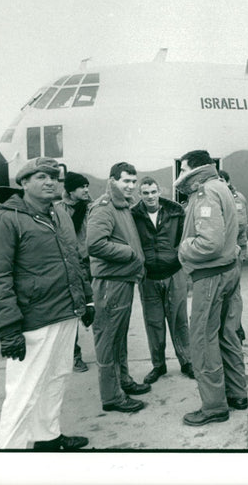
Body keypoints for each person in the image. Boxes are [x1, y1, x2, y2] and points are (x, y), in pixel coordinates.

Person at [0, 157, 93, 450]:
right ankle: (10, 458)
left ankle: (47, 438)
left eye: (54, 176)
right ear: (23, 183)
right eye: (40, 176)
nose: (50, 181)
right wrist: (7, 328)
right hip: (32, 322)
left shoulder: (58, 215)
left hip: (65, 314)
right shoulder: (4, 220)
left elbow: (74, 260)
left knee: (57, 379)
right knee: (23, 393)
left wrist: (87, 299)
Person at [174, 150, 247, 426]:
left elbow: (210, 243)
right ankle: (237, 394)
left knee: (203, 339)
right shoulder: (222, 188)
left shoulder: (205, 192)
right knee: (227, 334)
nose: (181, 175)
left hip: (211, 276)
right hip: (228, 272)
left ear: (194, 168)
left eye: (183, 169)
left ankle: (214, 406)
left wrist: (183, 248)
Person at [87, 161, 148, 413]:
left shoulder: (123, 206)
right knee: (108, 339)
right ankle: (112, 396)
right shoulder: (104, 208)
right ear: (113, 180)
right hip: (110, 283)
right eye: (126, 181)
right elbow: (95, 244)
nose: (131, 186)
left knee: (119, 336)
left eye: (134, 181)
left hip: (122, 280)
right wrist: (130, 253)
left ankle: (123, 381)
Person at [131, 177, 195, 383]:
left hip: (174, 273)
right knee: (154, 323)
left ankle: (187, 361)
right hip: (148, 277)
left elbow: (186, 237)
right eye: (145, 193)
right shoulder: (133, 215)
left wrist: (179, 258)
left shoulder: (176, 211)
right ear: (140, 195)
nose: (150, 196)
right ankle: (158, 365)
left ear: (160, 192)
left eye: (153, 192)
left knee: (180, 320)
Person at [54, 171, 92, 372]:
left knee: (99, 308)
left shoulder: (91, 208)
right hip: (72, 267)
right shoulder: (58, 210)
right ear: (70, 190)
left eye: (87, 186)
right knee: (72, 313)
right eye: (81, 187)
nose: (86, 189)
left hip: (92, 264)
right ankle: (74, 355)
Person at [218, 169, 248, 342]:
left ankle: (236, 327)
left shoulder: (237, 199)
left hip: (236, 250)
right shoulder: (216, 198)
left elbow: (241, 224)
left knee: (234, 291)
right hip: (223, 252)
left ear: (228, 182)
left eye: (222, 180)